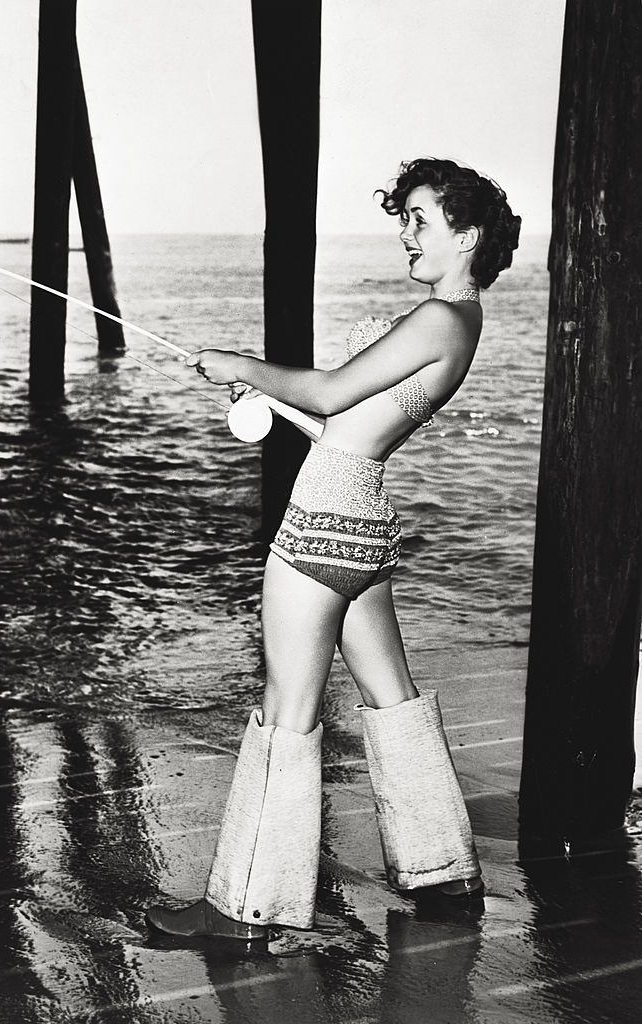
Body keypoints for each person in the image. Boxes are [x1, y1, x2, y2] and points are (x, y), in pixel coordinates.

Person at [146, 157, 521, 941]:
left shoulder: (438, 318)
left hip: (320, 523)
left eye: (420, 219)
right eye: (404, 219)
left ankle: (246, 907)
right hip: (364, 521)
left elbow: (327, 392)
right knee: (392, 698)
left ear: (469, 235)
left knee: (288, 708)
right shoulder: (460, 324)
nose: (405, 234)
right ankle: (444, 875)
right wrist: (272, 402)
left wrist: (240, 364)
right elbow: (343, 427)